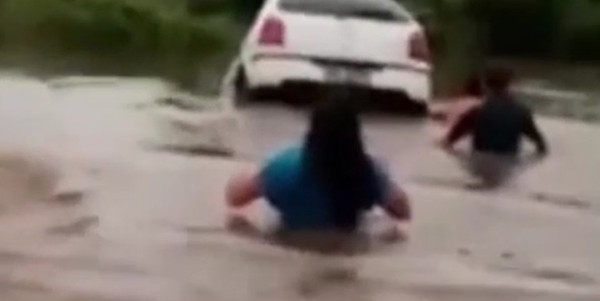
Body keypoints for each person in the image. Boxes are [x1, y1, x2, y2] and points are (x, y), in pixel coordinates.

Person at [225, 94, 411, 232]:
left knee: (237, 225)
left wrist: (262, 171)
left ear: (312, 133)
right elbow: (404, 212)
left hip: (290, 243)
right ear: (356, 137)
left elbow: (233, 198)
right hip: (348, 248)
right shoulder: (369, 175)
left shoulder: (285, 169)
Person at [439, 66, 548, 187]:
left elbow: (448, 142)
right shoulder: (522, 112)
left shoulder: (476, 111)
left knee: (458, 155)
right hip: (507, 165)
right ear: (511, 86)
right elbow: (541, 147)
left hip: (478, 164)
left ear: (485, 86)